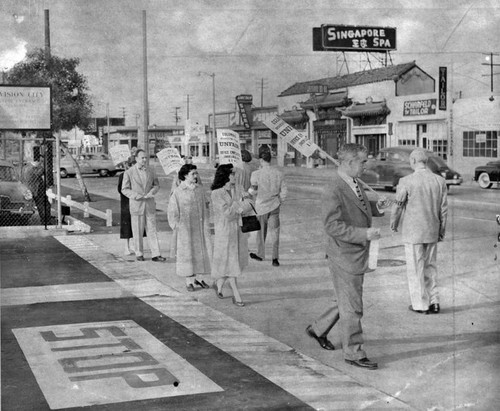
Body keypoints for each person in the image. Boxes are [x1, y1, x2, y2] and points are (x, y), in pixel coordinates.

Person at [306, 143, 383, 370]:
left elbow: (361, 206)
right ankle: (354, 353)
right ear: (349, 163)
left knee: (347, 301)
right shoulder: (333, 188)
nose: (365, 166)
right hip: (344, 254)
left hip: (355, 254)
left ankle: (318, 329)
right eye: (362, 161)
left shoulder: (353, 182)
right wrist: (364, 233)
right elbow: (332, 225)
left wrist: (383, 205)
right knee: (353, 307)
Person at [390, 148, 448, 315]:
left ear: (414, 162)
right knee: (431, 267)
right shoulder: (439, 181)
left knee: (416, 268)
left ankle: (421, 304)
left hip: (413, 232)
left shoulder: (406, 181)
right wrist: (441, 230)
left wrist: (394, 223)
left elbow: (398, 205)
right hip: (432, 231)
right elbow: (443, 210)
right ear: (426, 162)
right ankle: (434, 302)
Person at [211, 163, 254, 307]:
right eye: (232, 174)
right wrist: (239, 206)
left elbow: (250, 203)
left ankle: (218, 284)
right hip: (224, 232)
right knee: (230, 262)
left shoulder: (239, 188)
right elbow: (227, 213)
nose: (235, 176)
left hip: (238, 231)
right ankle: (236, 295)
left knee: (232, 262)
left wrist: (241, 206)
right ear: (226, 176)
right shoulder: (216, 193)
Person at [168, 164, 211, 292]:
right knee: (187, 254)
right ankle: (189, 281)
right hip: (185, 229)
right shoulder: (178, 191)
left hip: (200, 227)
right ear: (185, 175)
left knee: (200, 252)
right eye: (193, 174)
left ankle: (200, 278)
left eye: (196, 173)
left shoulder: (199, 189)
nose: (196, 176)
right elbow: (172, 211)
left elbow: (206, 205)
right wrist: (177, 226)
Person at [121, 149, 166, 262]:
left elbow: (156, 185)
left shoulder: (151, 171)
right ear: (136, 159)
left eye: (146, 157)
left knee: (152, 229)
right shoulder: (129, 172)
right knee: (137, 230)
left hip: (149, 204)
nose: (145, 160)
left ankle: (156, 254)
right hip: (137, 204)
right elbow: (124, 189)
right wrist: (137, 196)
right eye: (142, 158)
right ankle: (139, 252)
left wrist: (152, 192)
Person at [249, 149, 287, 267]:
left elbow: (253, 190)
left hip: (261, 206)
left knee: (261, 232)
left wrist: (248, 193)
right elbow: (284, 191)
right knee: (275, 232)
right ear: (270, 159)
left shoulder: (256, 174)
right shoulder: (279, 173)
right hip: (274, 205)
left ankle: (260, 254)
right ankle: (275, 258)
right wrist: (280, 200)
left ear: (261, 160)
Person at [23, 156, 51, 225]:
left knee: (44, 205)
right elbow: (40, 172)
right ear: (36, 162)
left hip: (35, 190)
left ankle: (45, 220)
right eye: (40, 162)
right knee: (42, 206)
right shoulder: (32, 169)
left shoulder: (27, 167)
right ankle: (45, 220)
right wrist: (43, 166)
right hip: (36, 190)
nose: (40, 163)